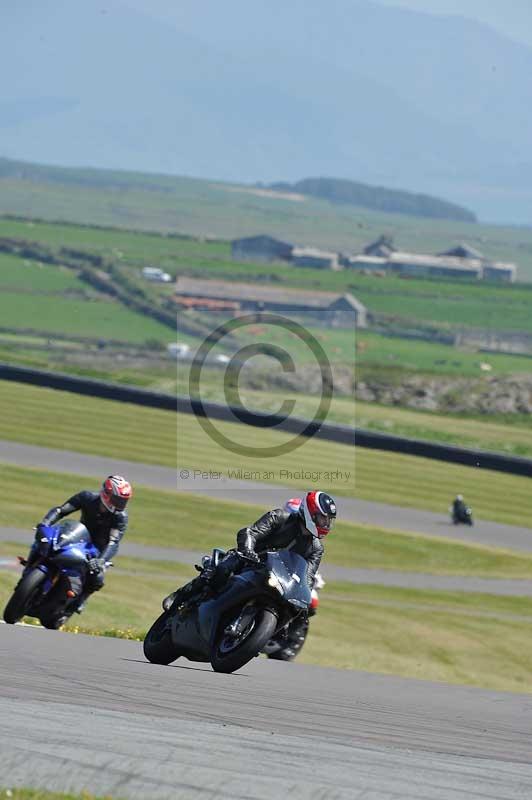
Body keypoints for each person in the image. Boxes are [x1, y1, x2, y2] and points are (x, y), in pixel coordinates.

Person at [163, 490, 337, 612]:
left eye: (329, 521)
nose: (326, 525)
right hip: (251, 561)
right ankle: (180, 596)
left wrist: (304, 596)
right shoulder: (280, 517)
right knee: (222, 569)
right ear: (310, 513)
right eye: (323, 519)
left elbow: (308, 576)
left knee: (296, 612)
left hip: (280, 578)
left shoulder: (316, 549)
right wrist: (248, 549)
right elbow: (250, 532)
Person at [32, 475, 132, 609]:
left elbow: (113, 542)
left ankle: (80, 601)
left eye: (124, 501)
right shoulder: (87, 497)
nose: (121, 505)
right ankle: (30, 565)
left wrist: (101, 560)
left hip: (97, 549)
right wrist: (45, 523)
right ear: (106, 494)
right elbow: (61, 510)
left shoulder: (120, 517)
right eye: (118, 500)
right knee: (46, 542)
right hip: (76, 535)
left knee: (98, 577)